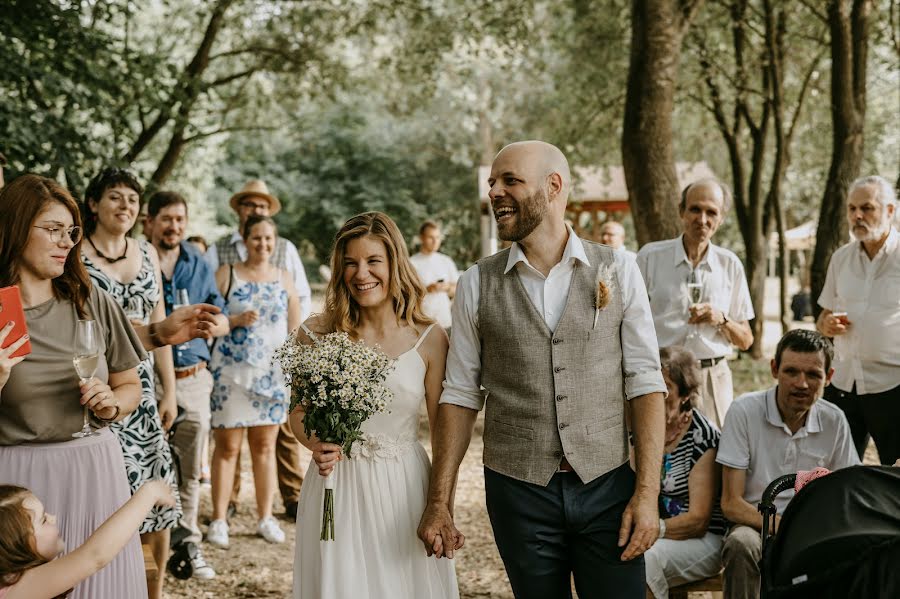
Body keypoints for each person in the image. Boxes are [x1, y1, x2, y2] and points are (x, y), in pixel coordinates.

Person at [419, 141, 667, 598]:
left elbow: (646, 383)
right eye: (492, 182)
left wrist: (646, 494)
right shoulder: (477, 282)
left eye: (510, 180)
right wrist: (440, 502)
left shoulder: (620, 269)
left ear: (553, 187)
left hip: (608, 486)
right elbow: (459, 394)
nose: (494, 191)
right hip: (518, 491)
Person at [291, 212, 458, 598]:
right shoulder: (314, 335)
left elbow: (443, 430)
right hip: (335, 486)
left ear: (395, 263)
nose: (361, 273)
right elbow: (297, 415)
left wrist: (442, 505)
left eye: (372, 261)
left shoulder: (429, 338)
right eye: (350, 262)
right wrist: (315, 443)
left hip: (403, 488)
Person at [0, 174, 146, 598]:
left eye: (71, 232)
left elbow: (129, 385)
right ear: (15, 228)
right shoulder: (1, 309)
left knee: (101, 585)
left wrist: (112, 404)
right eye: (52, 230)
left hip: (94, 469)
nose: (67, 242)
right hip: (18, 482)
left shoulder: (88, 299)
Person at [80, 167, 181, 599]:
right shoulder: (74, 255)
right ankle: (110, 586)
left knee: (159, 495)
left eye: (132, 200)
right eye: (116, 197)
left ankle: (153, 592)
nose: (125, 206)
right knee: (111, 495)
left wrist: (170, 390)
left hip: (144, 391)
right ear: (93, 204)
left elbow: (161, 327)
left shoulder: (147, 252)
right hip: (96, 389)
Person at [716, 329, 860, 599]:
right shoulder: (744, 411)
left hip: (813, 528)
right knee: (740, 544)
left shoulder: (835, 420)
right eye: (791, 372)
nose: (801, 384)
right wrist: (786, 527)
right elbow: (731, 503)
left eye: (813, 375)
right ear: (774, 369)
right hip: (755, 524)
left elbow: (847, 493)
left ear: (828, 378)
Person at [205, 179, 311, 520]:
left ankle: (290, 498)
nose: (256, 210)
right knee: (229, 443)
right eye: (249, 204)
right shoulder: (220, 251)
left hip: (272, 367)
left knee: (277, 439)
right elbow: (209, 303)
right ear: (239, 210)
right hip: (233, 366)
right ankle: (228, 504)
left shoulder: (286, 250)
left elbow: (300, 299)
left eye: (261, 205)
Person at [147, 190, 229, 580]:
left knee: (191, 469)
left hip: (194, 379)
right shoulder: (136, 260)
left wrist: (219, 324)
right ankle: (145, 547)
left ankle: (188, 543)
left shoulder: (197, 262)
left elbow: (222, 315)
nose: (174, 226)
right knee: (148, 464)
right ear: (149, 222)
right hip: (147, 380)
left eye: (180, 219)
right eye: (166, 218)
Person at [637, 179, 754, 429]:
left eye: (711, 212)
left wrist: (720, 319)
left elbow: (746, 340)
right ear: (681, 211)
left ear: (721, 218)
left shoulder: (730, 264)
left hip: (712, 378)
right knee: (658, 455)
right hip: (662, 377)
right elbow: (628, 322)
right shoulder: (650, 257)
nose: (702, 219)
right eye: (695, 209)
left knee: (714, 456)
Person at [816, 175, 900, 465]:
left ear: (890, 210)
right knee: (835, 473)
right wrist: (825, 325)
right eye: (852, 209)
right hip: (843, 384)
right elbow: (823, 316)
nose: (857, 216)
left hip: (892, 386)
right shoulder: (840, 258)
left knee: (895, 477)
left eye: (867, 208)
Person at [643, 346, 726, 599]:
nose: (658, 392)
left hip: (706, 541)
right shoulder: (641, 429)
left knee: (645, 560)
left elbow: (698, 521)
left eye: (666, 386)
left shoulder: (703, 436)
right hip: (655, 535)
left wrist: (649, 531)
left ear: (685, 394)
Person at [0, 480, 175, 599]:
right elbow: (94, 556)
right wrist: (149, 493)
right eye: (43, 520)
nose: (52, 517)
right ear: (13, 544)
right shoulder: (13, 590)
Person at [409, 220, 459, 331]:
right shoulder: (411, 263)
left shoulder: (446, 260)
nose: (435, 241)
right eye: (431, 237)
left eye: (437, 237)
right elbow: (407, 293)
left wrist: (446, 287)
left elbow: (458, 289)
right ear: (422, 238)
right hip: (421, 323)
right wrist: (427, 289)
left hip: (445, 322)